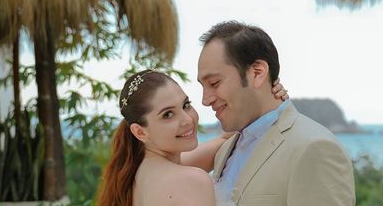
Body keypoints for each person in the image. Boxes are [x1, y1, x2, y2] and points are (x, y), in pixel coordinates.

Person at [198, 21, 355, 206]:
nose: (205, 99)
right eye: (203, 86)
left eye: (214, 83)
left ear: (257, 73)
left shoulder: (314, 147)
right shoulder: (226, 149)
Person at [96, 69, 287, 206]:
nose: (188, 119)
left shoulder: (134, 171)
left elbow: (226, 140)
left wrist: (264, 98)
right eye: (168, 115)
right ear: (140, 132)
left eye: (186, 105)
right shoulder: (190, 180)